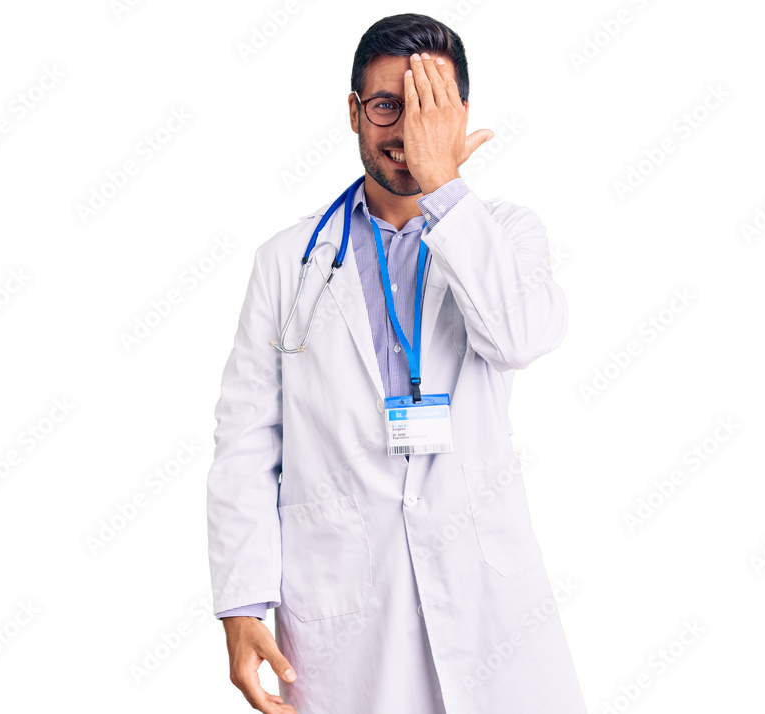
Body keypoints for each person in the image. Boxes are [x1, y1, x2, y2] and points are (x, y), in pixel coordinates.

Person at [207, 12, 587, 714]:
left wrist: (447, 190)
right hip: (344, 602)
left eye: (427, 107)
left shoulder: (504, 234)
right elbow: (245, 445)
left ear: (458, 115)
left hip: (486, 596)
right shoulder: (287, 261)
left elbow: (520, 337)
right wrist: (240, 603)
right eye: (387, 105)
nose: (406, 129)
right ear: (353, 112)